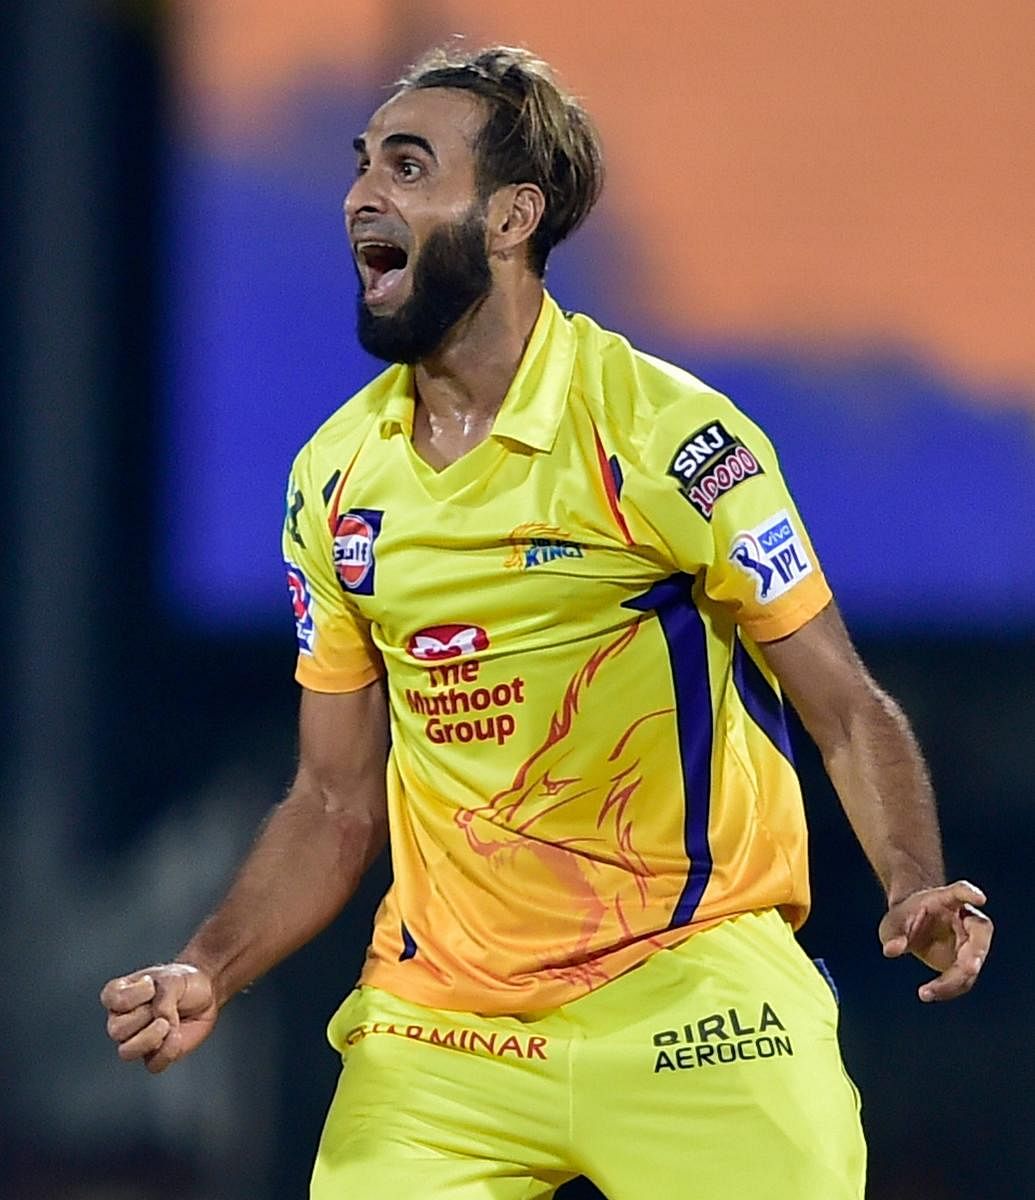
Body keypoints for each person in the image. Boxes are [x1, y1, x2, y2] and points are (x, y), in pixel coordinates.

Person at [101, 45, 993, 1199]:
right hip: (440, 1037)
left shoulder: (674, 439)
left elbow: (843, 707)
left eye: (410, 166)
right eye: (361, 164)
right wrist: (207, 970)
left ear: (514, 216)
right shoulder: (334, 481)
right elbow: (331, 802)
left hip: (694, 1002)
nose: (364, 194)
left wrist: (912, 877)